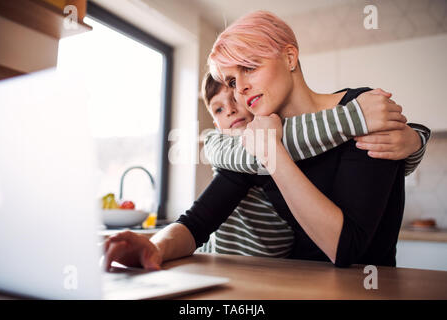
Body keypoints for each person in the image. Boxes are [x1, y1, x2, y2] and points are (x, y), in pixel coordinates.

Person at [103, 11, 430, 270]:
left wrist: (273, 155)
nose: (239, 89)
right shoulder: (258, 135)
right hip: (296, 284)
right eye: (232, 79)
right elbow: (197, 223)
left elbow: (347, 248)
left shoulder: (362, 111)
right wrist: (155, 246)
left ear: (289, 58)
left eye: (249, 68)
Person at [198, 73, 426, 257]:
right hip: (226, 261)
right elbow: (245, 151)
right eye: (218, 109)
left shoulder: (284, 132)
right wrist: (354, 118)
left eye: (235, 100)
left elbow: (383, 165)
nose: (229, 110)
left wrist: (415, 141)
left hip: (288, 269)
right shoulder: (224, 144)